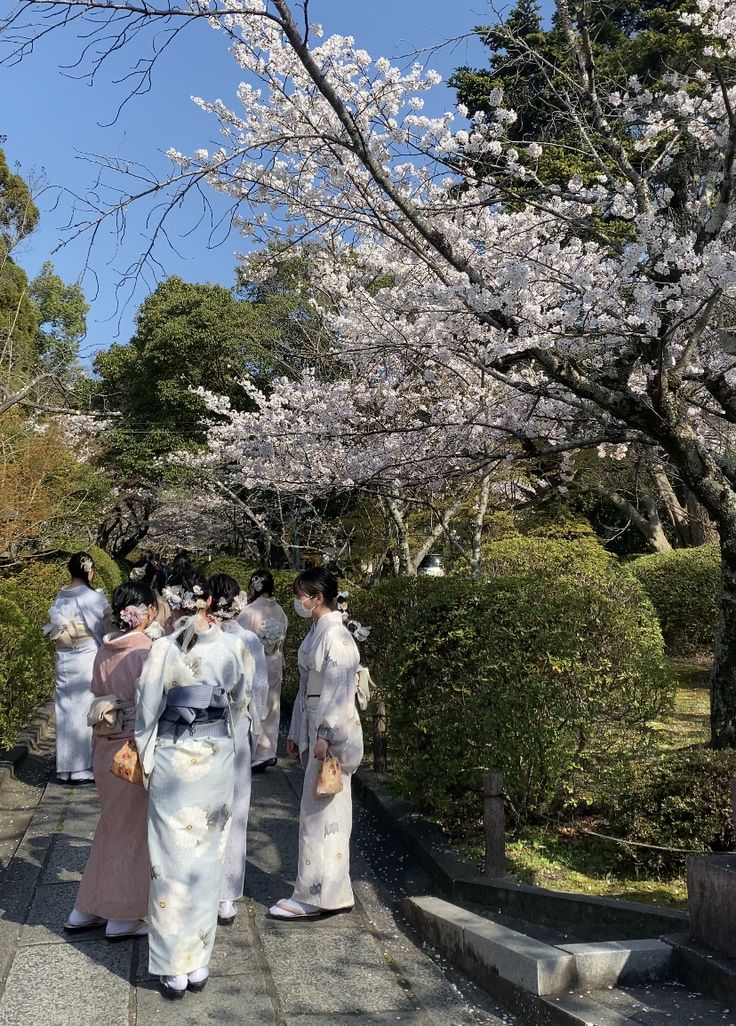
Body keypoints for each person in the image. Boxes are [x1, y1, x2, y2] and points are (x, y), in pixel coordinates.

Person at [135, 572, 254, 999]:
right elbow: (241, 704)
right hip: (216, 755)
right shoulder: (234, 647)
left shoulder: (164, 649)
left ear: (180, 604)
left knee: (171, 861)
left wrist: (145, 756)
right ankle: (196, 961)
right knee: (204, 859)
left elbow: (147, 709)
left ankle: (175, 965)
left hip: (173, 755)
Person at [269, 568, 363, 920]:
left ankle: (315, 894)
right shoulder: (319, 632)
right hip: (315, 723)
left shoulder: (336, 637)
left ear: (316, 598)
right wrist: (296, 732)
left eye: (301, 595)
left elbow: (338, 692)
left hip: (330, 732)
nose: (299, 601)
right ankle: (332, 892)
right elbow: (311, 684)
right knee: (326, 813)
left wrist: (324, 735)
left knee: (319, 814)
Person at [65, 580, 156, 939]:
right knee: (132, 831)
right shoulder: (146, 650)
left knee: (111, 827)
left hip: (105, 743)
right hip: (132, 747)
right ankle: (122, 914)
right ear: (144, 611)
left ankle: (85, 908)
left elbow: (98, 692)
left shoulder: (105, 648)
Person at [209, 573, 269, 926]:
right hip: (237, 726)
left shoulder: (193, 638)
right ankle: (227, 894)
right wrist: (255, 726)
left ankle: (204, 887)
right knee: (237, 811)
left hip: (201, 732)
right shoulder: (248, 641)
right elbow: (259, 691)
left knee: (204, 811)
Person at [44, 551, 111, 784]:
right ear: (89, 572)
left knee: (64, 708)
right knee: (83, 707)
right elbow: (104, 626)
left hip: (64, 656)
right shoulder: (91, 597)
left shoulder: (61, 595)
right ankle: (80, 766)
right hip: (85, 656)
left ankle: (65, 767)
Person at [237, 569, 288, 773]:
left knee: (255, 705)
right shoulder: (280, 611)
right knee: (273, 706)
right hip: (275, 661)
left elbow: (239, 640)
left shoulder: (249, 611)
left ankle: (255, 751)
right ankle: (268, 751)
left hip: (256, 664)